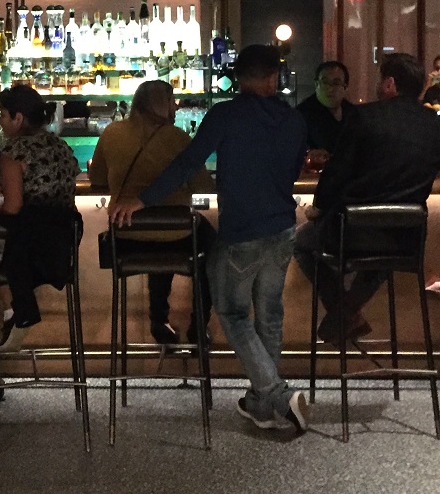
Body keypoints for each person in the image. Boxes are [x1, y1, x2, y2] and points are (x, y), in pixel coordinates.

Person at [110, 45, 309, 434]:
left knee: (233, 314)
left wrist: (143, 199)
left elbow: (187, 163)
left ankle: (277, 395)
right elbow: (293, 169)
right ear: (274, 78)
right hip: (282, 228)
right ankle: (262, 406)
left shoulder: (225, 115)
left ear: (237, 78)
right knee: (269, 315)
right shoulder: (295, 120)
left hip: (242, 232)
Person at [294, 52, 440, 342]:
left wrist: (319, 207)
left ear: (390, 83)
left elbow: (338, 171)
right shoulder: (438, 124)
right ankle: (347, 313)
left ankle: (343, 313)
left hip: (351, 232)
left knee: (300, 242)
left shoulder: (364, 116)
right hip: (407, 236)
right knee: (381, 258)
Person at [89, 80, 215, 347]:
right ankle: (198, 326)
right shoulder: (178, 137)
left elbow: (97, 178)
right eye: (172, 101)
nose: (176, 107)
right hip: (178, 236)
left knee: (159, 240)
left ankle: (159, 321)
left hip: (126, 237)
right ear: (162, 105)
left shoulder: (111, 133)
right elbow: (203, 186)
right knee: (213, 251)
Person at [0, 84, 81, 353]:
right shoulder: (61, 146)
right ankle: (16, 312)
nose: (0, 122)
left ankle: (16, 312)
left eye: (3, 115)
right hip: (63, 248)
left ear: (18, 118)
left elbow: (13, 207)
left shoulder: (14, 151)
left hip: (27, 250)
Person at [296, 60, 355, 163]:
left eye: (336, 83)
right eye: (325, 82)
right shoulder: (301, 115)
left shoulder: (352, 113)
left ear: (345, 87)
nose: (330, 89)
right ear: (316, 84)